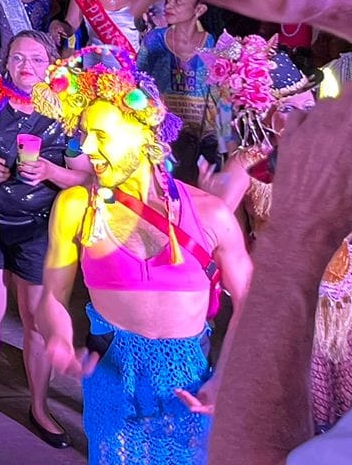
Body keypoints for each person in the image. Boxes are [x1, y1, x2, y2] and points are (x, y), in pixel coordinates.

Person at [35, 55, 251, 463]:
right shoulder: (77, 206)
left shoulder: (210, 214)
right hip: (112, 377)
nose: (87, 148)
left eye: (100, 135)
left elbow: (252, 302)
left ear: (142, 130)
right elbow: (52, 296)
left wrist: (226, 377)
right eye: (84, 136)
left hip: (188, 384)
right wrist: (58, 336)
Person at [201, 35, 352, 432]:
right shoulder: (247, 162)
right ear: (264, 113)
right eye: (287, 108)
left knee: (338, 404)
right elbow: (216, 223)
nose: (300, 117)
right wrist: (208, 198)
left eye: (307, 107)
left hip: (340, 295)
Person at [0, 28, 91, 439]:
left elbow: (86, 176)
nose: (27, 67)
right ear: (6, 61)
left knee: (35, 320)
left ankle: (40, 407)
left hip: (40, 227)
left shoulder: (68, 109)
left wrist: (50, 171)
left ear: (51, 64)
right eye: (19, 59)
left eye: (37, 60)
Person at [138, 0, 217, 182]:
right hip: (162, 137)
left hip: (201, 139)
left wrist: (222, 143)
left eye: (178, 2)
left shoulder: (212, 44)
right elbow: (139, 82)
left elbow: (219, 95)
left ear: (199, 10)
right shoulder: (153, 40)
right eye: (167, 1)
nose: (168, 6)